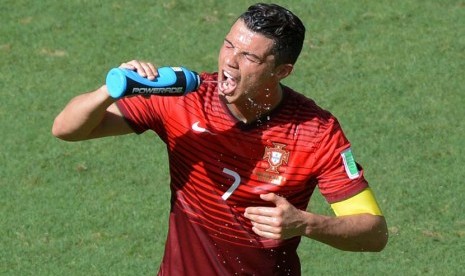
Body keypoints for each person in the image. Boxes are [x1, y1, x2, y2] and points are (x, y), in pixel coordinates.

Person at [52, 3, 388, 275]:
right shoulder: (184, 99)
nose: (230, 61)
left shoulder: (315, 131)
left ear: (281, 71)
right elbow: (67, 129)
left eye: (250, 57)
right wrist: (109, 90)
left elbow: (374, 233)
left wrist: (306, 223)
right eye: (229, 44)